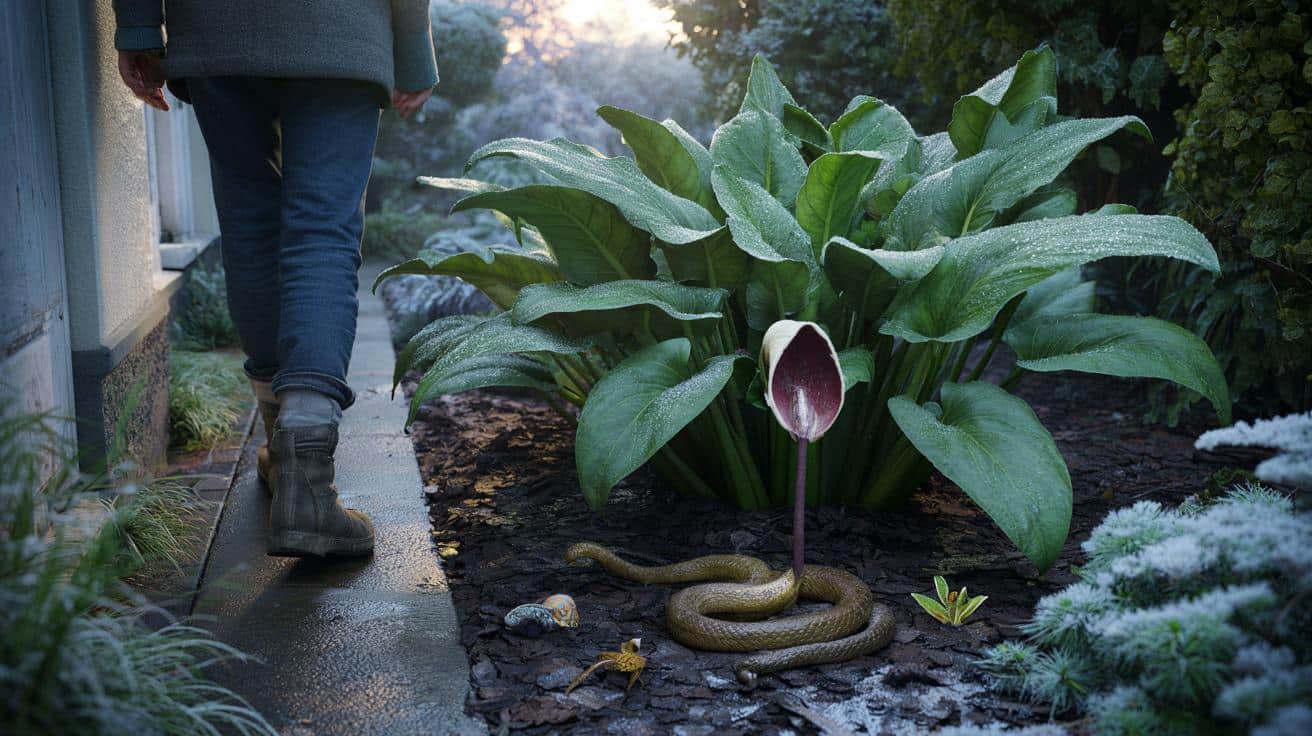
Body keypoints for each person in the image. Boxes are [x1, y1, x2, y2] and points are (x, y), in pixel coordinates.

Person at [113, 1, 438, 558]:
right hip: (340, 29)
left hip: (217, 30)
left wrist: (138, 25)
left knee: (249, 226)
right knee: (323, 230)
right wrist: (413, 51)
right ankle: (305, 483)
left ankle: (279, 446)